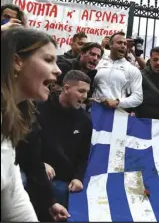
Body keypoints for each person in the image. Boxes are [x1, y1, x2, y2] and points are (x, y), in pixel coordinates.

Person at [1, 27, 62, 221]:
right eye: (48, 60)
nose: (58, 70)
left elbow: (14, 197)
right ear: (17, 62)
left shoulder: (15, 120)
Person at [32, 70, 93, 210]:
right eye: (81, 91)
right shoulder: (39, 108)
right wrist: (40, 164)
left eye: (87, 92)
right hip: (35, 172)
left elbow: (83, 155)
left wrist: (78, 177)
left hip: (64, 181)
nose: (85, 96)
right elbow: (24, 144)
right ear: (66, 88)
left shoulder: (85, 120)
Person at [93, 32, 143, 110]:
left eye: (125, 44)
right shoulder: (98, 62)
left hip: (117, 115)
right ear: (110, 45)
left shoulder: (132, 69)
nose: (123, 46)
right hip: (95, 112)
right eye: (119, 43)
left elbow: (138, 97)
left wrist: (118, 102)